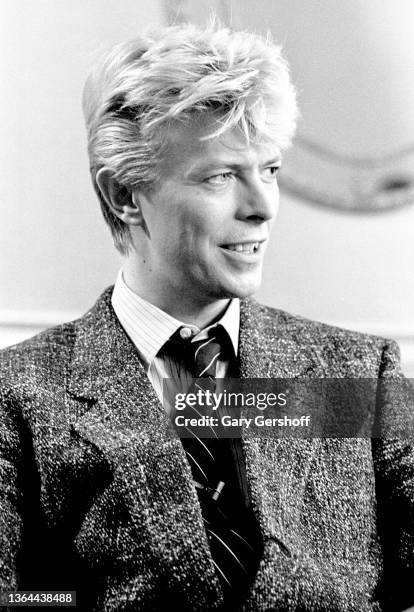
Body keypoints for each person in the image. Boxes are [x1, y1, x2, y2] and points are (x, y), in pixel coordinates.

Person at [0, 22, 413, 612]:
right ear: (124, 195)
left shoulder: (360, 373)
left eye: (269, 170)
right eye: (222, 176)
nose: (264, 206)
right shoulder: (16, 393)